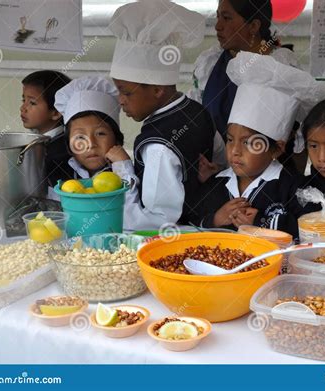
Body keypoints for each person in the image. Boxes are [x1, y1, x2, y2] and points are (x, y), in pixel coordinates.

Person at [109, 0, 216, 229]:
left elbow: (152, 222)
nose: (120, 100)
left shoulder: (158, 147)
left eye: (126, 92)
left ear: (157, 90)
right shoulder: (197, 110)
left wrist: (123, 170)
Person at [193, 52, 325, 237]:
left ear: (277, 149)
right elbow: (190, 220)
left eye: (248, 143)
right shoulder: (216, 184)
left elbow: (311, 230)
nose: (235, 151)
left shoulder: (294, 188)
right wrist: (215, 219)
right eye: (230, 140)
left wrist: (262, 222)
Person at [188, 0, 303, 180]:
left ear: (254, 25)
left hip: (270, 180)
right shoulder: (209, 64)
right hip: (215, 177)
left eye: (226, 18)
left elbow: (297, 139)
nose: (218, 26)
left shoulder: (280, 67)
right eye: (218, 17)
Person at [52, 77, 137, 228]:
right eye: (79, 137)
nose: (90, 145)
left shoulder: (131, 172)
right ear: (68, 144)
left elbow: (131, 219)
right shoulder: (56, 175)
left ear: (116, 139)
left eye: (100, 134)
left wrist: (123, 168)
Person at [20, 70, 72, 187]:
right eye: (24, 100)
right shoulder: (35, 142)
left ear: (55, 112)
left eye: (32, 103)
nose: (23, 108)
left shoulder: (61, 151)